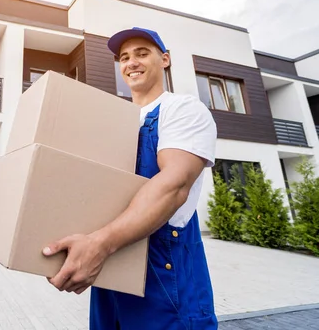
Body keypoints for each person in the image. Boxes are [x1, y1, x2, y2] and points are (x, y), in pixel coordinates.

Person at [43, 27, 219, 329]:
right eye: (124, 57)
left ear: (164, 59)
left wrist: (98, 244)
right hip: (111, 272)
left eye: (141, 53)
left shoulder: (183, 110)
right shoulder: (113, 121)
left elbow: (173, 187)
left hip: (164, 276)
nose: (131, 62)